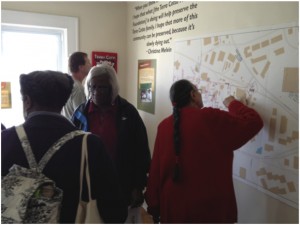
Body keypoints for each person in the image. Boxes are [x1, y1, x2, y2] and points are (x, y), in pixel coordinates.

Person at [1, 70, 127, 223]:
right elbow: (115, 210)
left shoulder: (4, 140)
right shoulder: (91, 145)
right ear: (63, 101)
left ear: (27, 101)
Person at [145, 79, 264, 223]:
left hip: (173, 211)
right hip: (210, 211)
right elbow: (254, 122)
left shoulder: (163, 126)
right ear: (193, 95)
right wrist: (232, 104)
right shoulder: (210, 118)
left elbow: (156, 172)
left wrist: (154, 208)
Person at [72, 64, 151, 212]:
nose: (95, 92)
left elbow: (141, 152)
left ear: (113, 88)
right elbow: (71, 151)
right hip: (89, 186)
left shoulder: (128, 112)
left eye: (102, 87)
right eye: (92, 87)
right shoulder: (80, 113)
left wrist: (138, 187)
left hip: (121, 183)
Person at [62, 51, 92, 120]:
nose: (91, 65)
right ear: (81, 67)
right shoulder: (78, 89)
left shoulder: (67, 83)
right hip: (73, 129)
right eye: (88, 62)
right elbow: (81, 117)